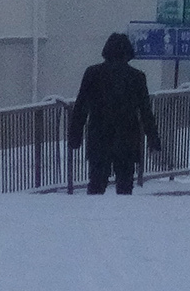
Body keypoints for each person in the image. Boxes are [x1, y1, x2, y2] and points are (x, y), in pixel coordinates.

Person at [69, 32, 162, 194]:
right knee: (125, 184)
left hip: (99, 135)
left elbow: (80, 107)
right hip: (127, 138)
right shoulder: (137, 77)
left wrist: (74, 137)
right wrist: (153, 140)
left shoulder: (92, 73)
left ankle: (92, 217)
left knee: (96, 183)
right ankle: (122, 217)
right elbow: (146, 112)